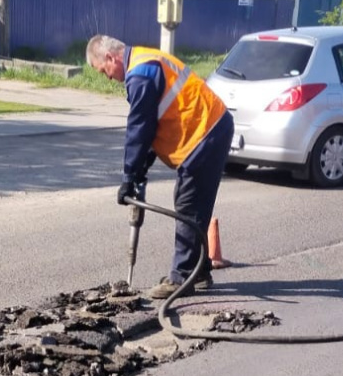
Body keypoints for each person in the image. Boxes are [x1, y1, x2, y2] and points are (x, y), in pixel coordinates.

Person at [87, 34, 234, 299]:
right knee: (195, 206)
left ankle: (180, 279)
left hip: (204, 133)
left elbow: (139, 129)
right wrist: (140, 169)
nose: (107, 77)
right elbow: (155, 123)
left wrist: (129, 176)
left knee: (188, 206)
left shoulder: (140, 74)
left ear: (111, 57)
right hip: (212, 129)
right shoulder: (145, 60)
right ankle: (198, 273)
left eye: (103, 70)